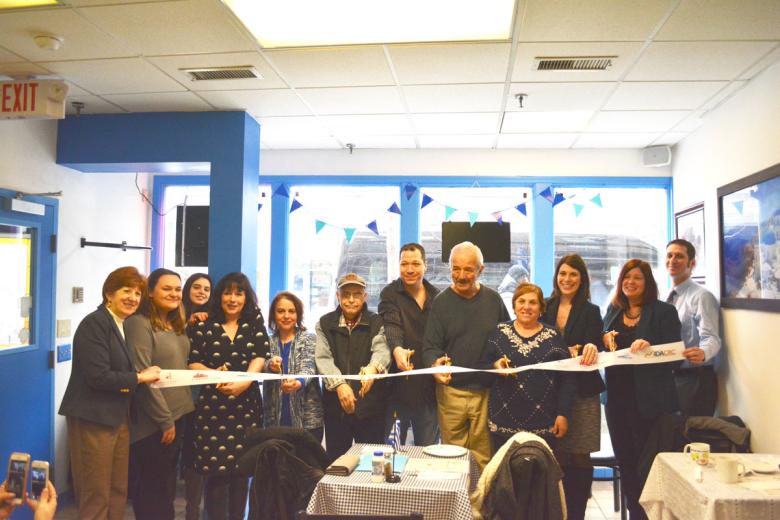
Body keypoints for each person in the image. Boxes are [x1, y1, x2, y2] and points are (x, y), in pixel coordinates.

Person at [58, 266, 161, 520]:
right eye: (126, 291)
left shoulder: (120, 323)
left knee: (117, 489)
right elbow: (98, 377)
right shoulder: (94, 323)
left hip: (117, 417)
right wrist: (140, 377)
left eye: (137, 293)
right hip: (93, 418)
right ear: (109, 294)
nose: (133, 298)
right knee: (95, 493)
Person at [602, 259, 681, 520]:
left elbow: (676, 357)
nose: (630, 282)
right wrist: (603, 342)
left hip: (651, 403)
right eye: (626, 277)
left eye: (637, 278)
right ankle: (635, 513)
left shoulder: (664, 311)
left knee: (648, 465)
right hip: (617, 401)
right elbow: (604, 350)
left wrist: (652, 347)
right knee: (626, 462)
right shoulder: (613, 310)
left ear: (647, 283)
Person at [187, 272, 270, 520]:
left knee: (242, 471)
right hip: (213, 409)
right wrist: (214, 374)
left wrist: (243, 382)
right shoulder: (203, 324)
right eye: (227, 292)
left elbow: (260, 355)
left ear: (246, 297)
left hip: (247, 406)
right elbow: (192, 362)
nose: (233, 298)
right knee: (216, 474)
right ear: (219, 295)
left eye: (239, 292)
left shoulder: (254, 321)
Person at [422, 241, 511, 470]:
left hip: (486, 393)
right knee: (453, 458)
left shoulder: (494, 301)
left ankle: (480, 505)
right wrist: (435, 364)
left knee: (484, 457)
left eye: (468, 269)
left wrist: (502, 360)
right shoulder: (441, 303)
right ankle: (459, 505)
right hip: (451, 393)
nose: (460, 275)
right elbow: (430, 346)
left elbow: (506, 340)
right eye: (455, 268)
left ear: (481, 270)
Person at [126, 268, 195, 520]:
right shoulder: (138, 324)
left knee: (166, 490)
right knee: (151, 490)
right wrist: (164, 420)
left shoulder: (175, 324)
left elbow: (179, 364)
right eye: (167, 288)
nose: (174, 293)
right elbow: (143, 375)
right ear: (151, 293)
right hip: (154, 422)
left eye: (178, 289)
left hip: (179, 413)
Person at [542, 254, 605, 520]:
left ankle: (577, 513)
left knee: (579, 456)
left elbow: (596, 344)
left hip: (582, 394)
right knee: (554, 456)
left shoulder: (591, 311)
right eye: (563, 274)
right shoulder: (545, 305)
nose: (567, 279)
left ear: (582, 279)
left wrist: (592, 346)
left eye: (573, 275)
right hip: (549, 392)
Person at [484, 283, 576, 450]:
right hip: (503, 422)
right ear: (514, 305)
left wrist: (563, 414)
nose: (526, 307)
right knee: (504, 473)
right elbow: (483, 366)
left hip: (544, 424)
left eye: (533, 302)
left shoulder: (554, 336)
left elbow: (567, 379)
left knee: (541, 473)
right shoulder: (499, 333)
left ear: (541, 308)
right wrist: (495, 365)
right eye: (521, 301)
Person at [315, 272, 391, 461]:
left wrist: (373, 369)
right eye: (345, 294)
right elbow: (323, 359)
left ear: (365, 296)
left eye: (356, 294)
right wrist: (339, 385)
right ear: (337, 296)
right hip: (336, 409)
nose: (351, 300)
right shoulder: (324, 324)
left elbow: (382, 350)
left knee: (374, 463)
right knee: (337, 464)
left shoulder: (377, 322)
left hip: (371, 409)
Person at [378, 242, 441, 446]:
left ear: (425, 266)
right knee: (392, 451)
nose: (410, 269)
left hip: (429, 389)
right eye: (404, 264)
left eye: (415, 263)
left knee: (428, 451)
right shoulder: (389, 294)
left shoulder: (438, 297)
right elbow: (391, 325)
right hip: (398, 388)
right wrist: (397, 349)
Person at [666, 239, 722, 417]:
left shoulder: (702, 296)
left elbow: (712, 337)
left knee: (690, 438)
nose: (673, 260)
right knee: (669, 436)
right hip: (671, 377)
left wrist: (703, 352)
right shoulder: (665, 296)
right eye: (669, 255)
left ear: (692, 263)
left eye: (679, 256)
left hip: (695, 378)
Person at [264, 291, 324, 441]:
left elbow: (309, 367)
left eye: (291, 311)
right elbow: (260, 365)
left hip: (308, 421)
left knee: (308, 464)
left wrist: (298, 382)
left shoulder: (309, 338)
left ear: (298, 315)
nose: (286, 316)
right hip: (274, 420)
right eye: (281, 311)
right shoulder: (267, 342)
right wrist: (270, 365)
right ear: (273, 315)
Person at [180, 272, 212, 520]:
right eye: (197, 287)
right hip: (180, 398)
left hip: (206, 397)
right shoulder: (176, 317)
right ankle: (190, 510)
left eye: (206, 289)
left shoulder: (211, 320)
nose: (202, 292)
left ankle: (199, 510)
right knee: (188, 455)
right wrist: (186, 323)